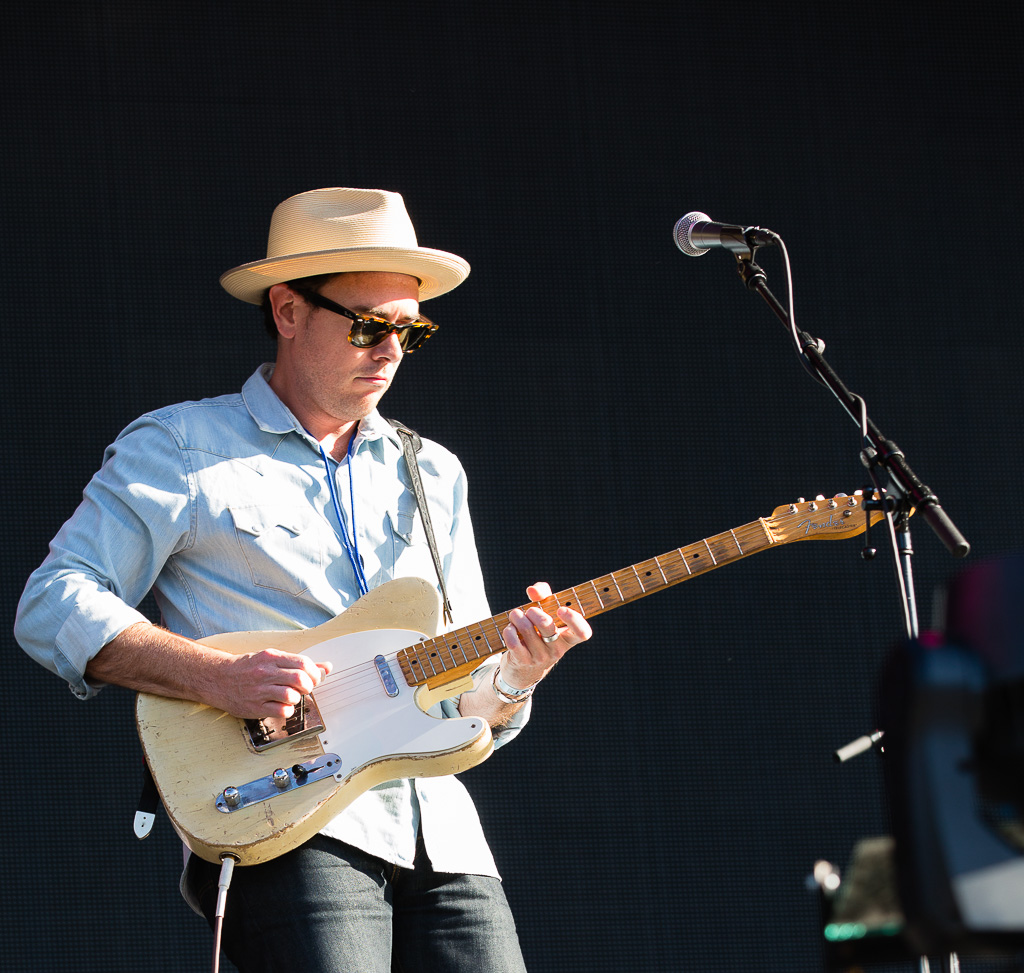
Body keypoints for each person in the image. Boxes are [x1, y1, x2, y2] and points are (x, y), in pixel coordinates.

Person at [15, 187, 593, 972]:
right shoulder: (183, 444)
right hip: (288, 813)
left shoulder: (434, 472)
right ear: (287, 312)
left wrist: (516, 677)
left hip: (445, 834)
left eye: (410, 331)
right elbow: (54, 600)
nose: (390, 350)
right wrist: (218, 676)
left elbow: (467, 697)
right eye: (368, 325)